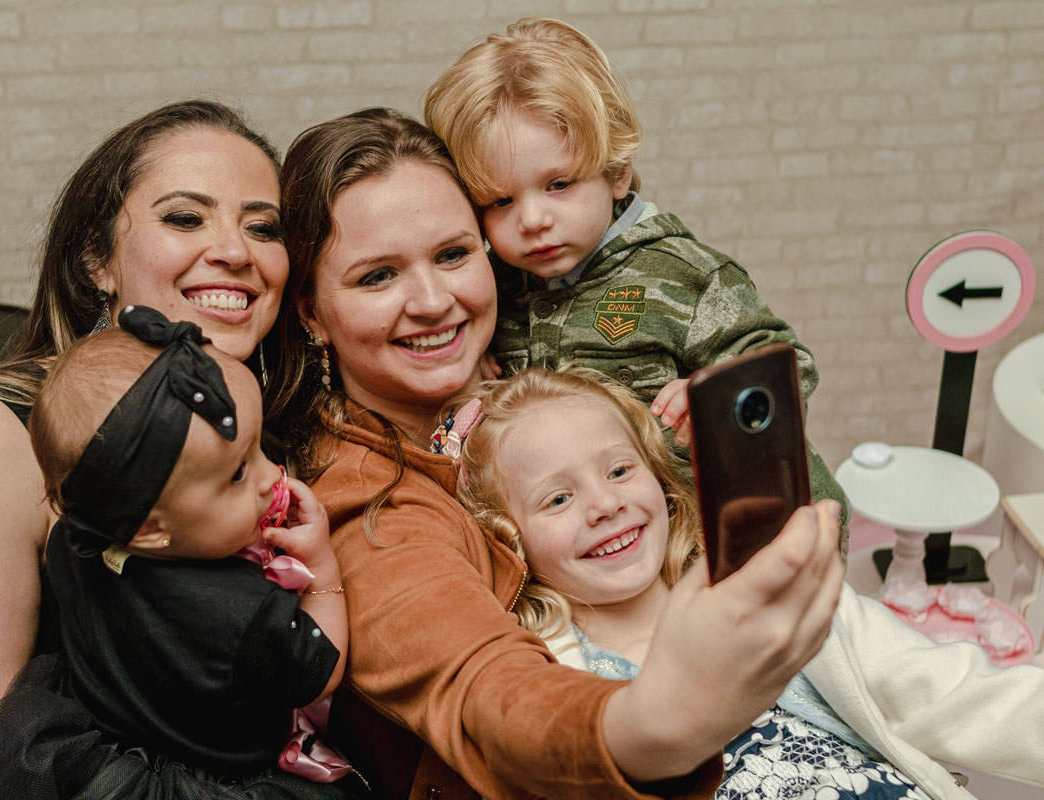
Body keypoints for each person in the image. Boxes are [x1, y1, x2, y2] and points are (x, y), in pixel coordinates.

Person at [264, 107, 845, 800]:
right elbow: (481, 691)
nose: (432, 300)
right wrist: (652, 724)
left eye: (452, 254)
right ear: (309, 312)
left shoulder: (552, 358)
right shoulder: (368, 500)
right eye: (377, 277)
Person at [0, 99, 289, 799]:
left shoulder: (261, 430)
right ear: (97, 258)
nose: (236, 251)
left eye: (264, 227)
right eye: (184, 217)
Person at [450, 364, 1044, 800]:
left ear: (657, 474)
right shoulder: (547, 681)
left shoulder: (771, 594)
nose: (604, 503)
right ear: (509, 536)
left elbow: (955, 694)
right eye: (557, 497)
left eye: (619, 469)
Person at [423, 17, 848, 539]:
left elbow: (787, 369)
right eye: (501, 200)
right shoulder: (500, 290)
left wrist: (712, 402)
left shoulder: (683, 273)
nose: (531, 220)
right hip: (610, 543)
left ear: (616, 171)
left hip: (745, 538)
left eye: (558, 184)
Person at [0, 306, 356, 799]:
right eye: (237, 474)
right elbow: (319, 673)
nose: (272, 475)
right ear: (150, 529)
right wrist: (324, 569)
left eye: (258, 448)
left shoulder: (75, 543)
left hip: (103, 766)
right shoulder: (240, 611)